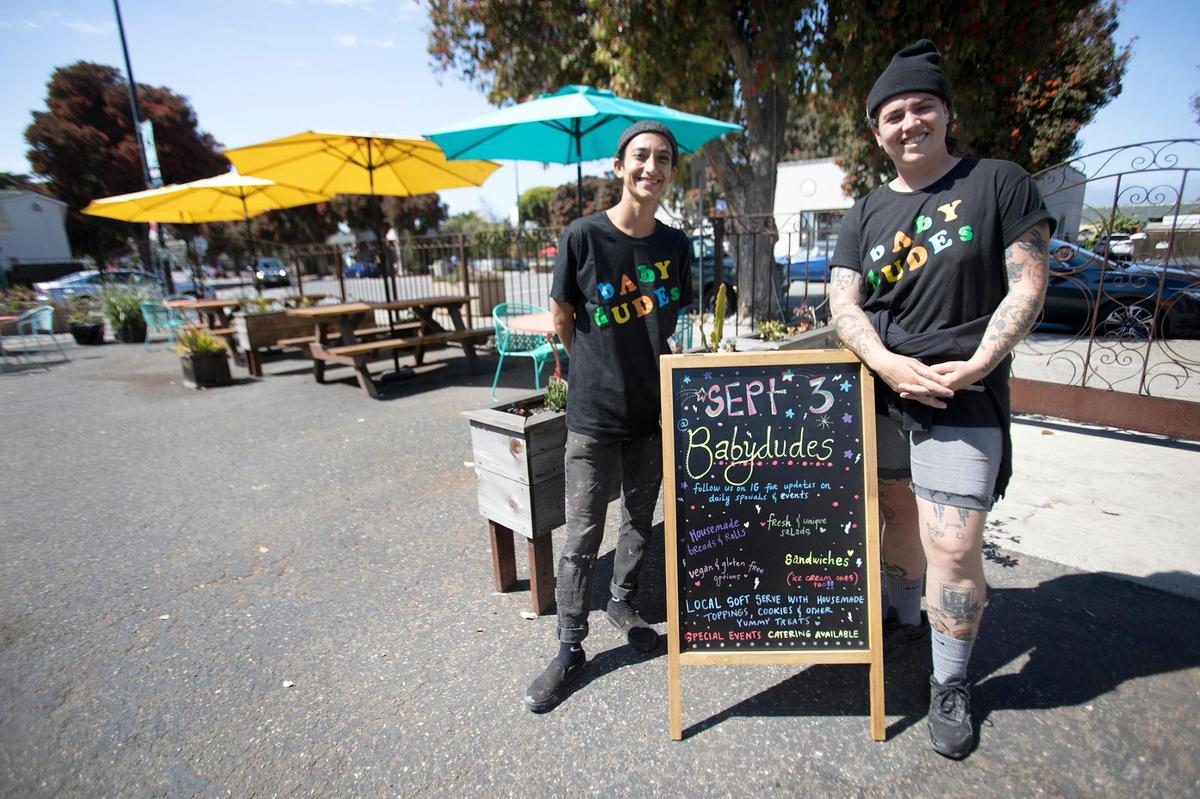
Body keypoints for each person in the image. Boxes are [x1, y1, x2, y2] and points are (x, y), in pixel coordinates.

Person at [827, 40, 1053, 758]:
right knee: (896, 515)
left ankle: (950, 683)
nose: (909, 122)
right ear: (876, 131)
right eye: (893, 114)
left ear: (946, 113)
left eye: (922, 106)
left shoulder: (999, 182)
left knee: (952, 543)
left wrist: (975, 365)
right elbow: (844, 302)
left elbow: (1027, 282)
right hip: (881, 389)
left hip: (964, 392)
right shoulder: (864, 212)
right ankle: (904, 616)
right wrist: (889, 364)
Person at [523, 120, 693, 713]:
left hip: (653, 413)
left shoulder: (676, 245)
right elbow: (563, 316)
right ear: (620, 166)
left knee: (640, 520)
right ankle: (570, 647)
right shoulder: (583, 236)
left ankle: (622, 600)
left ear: (672, 172)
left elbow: (668, 327)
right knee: (581, 535)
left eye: (663, 159)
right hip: (593, 415)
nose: (652, 167)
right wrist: (590, 370)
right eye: (641, 157)